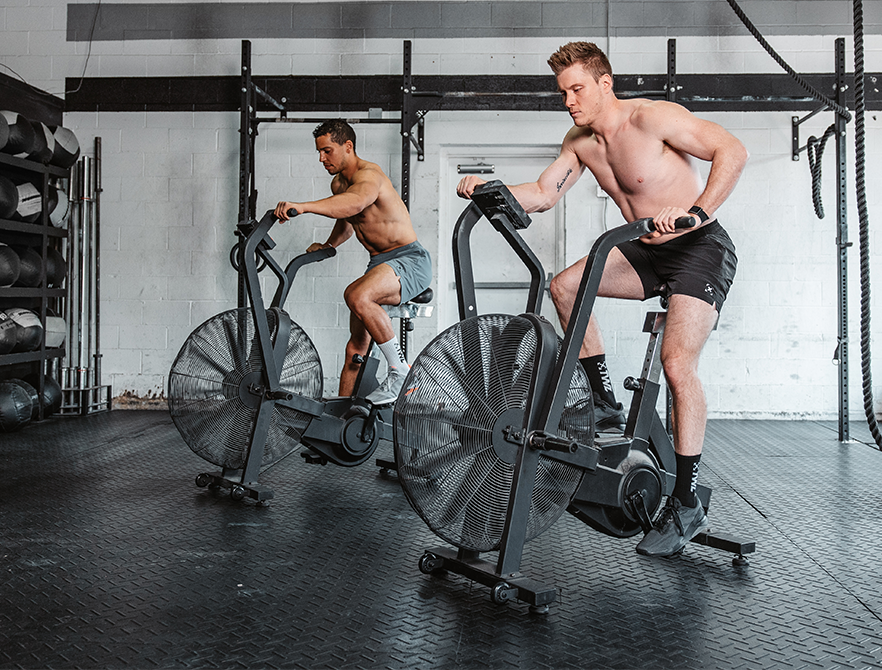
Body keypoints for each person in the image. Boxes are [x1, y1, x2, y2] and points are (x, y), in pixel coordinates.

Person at [455, 41, 747, 557]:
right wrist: (489, 187)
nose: (568, 100)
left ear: (604, 83)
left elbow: (732, 150)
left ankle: (685, 500)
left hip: (699, 247)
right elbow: (544, 194)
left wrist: (698, 212)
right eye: (563, 92)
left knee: (677, 366)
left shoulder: (652, 118)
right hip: (644, 248)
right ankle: (606, 402)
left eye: (577, 89)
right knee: (564, 286)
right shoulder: (581, 141)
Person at [275, 119, 432, 406]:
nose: (322, 158)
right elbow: (348, 219)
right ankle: (338, 418)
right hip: (380, 265)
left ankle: (400, 373)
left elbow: (355, 203)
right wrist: (329, 244)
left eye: (327, 151)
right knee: (355, 348)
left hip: (409, 259)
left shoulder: (369, 176)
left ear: (347, 146)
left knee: (356, 295)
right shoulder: (339, 184)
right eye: (319, 152)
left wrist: (305, 207)